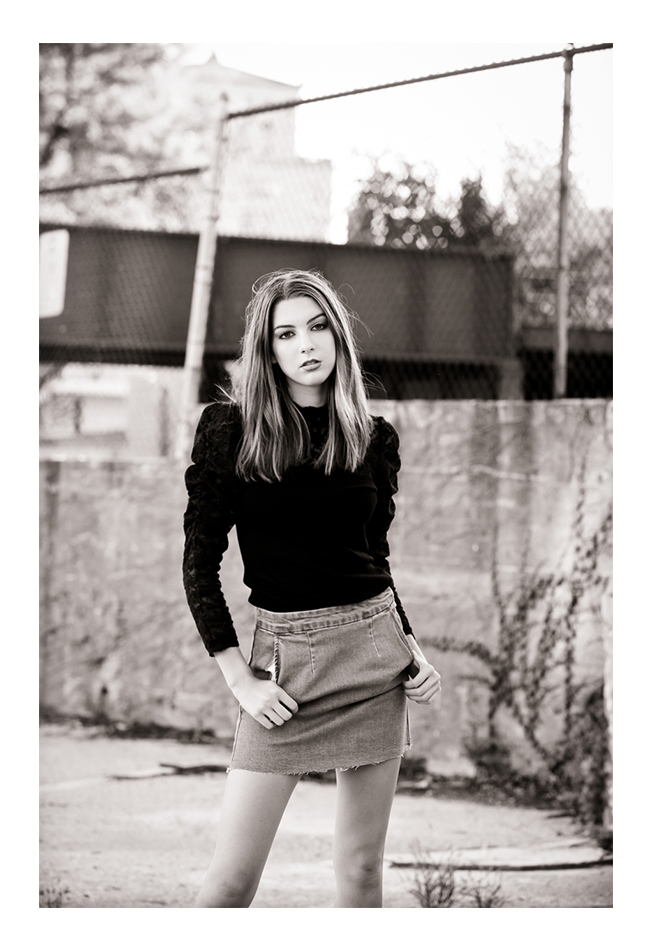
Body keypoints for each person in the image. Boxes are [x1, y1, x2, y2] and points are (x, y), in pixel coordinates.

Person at [182, 269, 441, 908]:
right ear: (267, 350)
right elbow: (198, 564)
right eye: (287, 333)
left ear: (339, 338)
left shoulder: (373, 437)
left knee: (360, 870)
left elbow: (372, 557)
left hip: (376, 662)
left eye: (319, 326)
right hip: (286, 669)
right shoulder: (231, 429)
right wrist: (239, 677)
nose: (306, 344)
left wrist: (410, 644)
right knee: (230, 880)